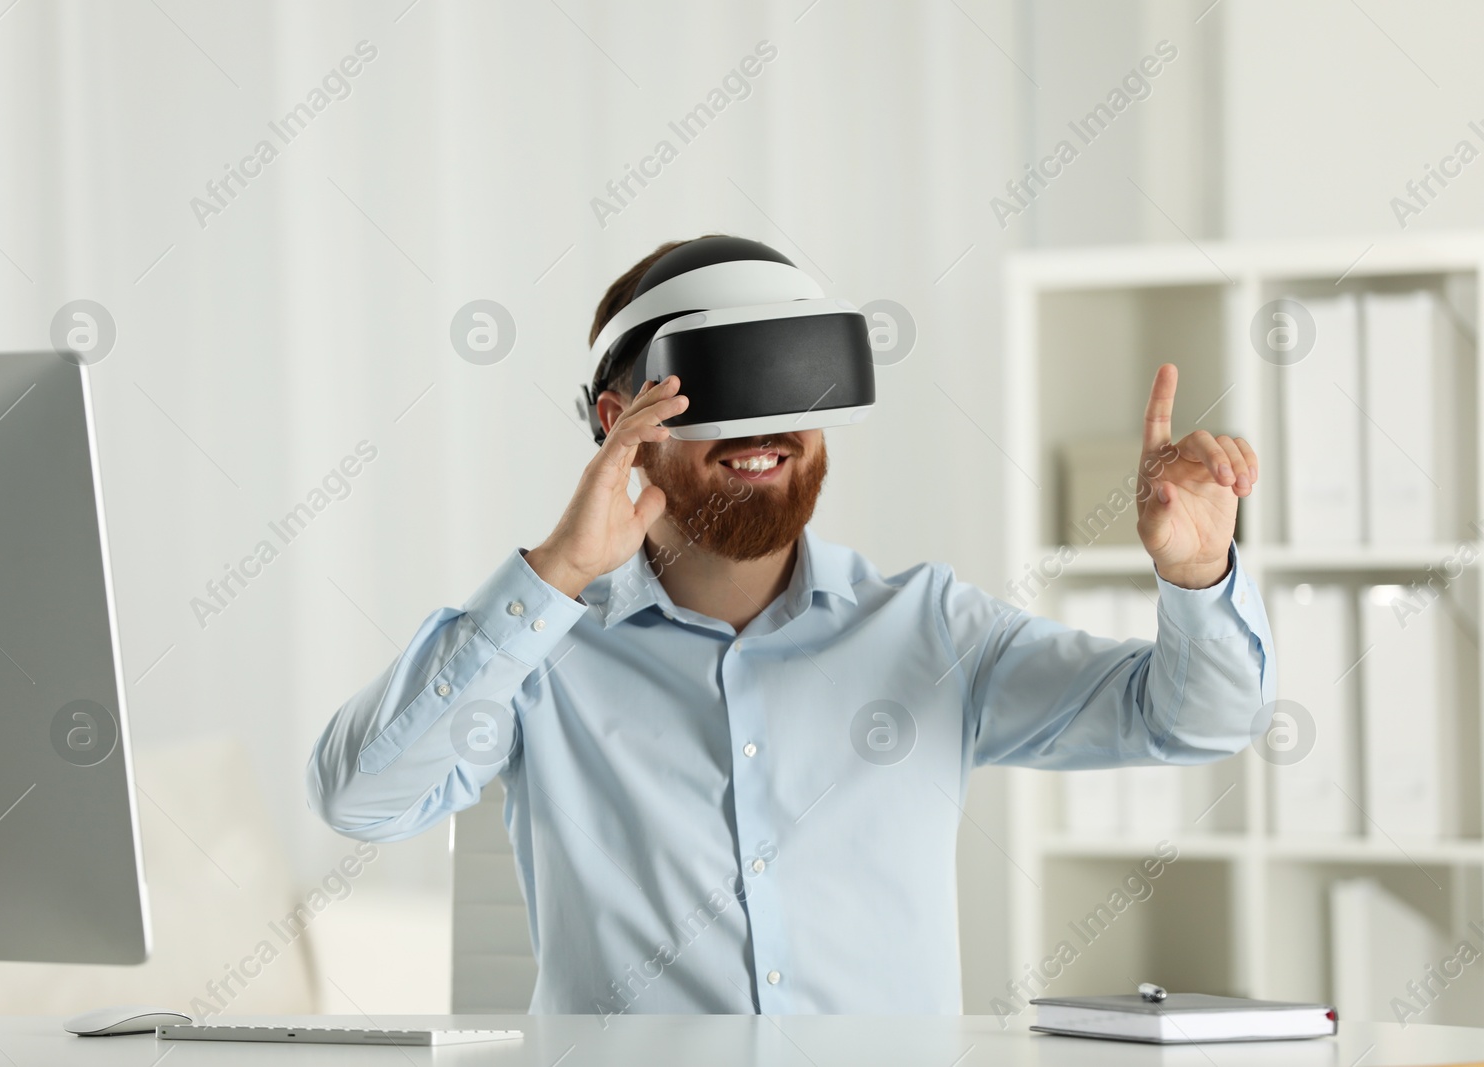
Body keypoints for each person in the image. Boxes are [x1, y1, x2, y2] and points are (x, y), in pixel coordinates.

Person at [306, 235, 1274, 1016]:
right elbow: (360, 797)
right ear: (618, 422)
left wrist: (1196, 574)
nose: (764, 431)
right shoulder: (540, 656)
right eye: (723, 393)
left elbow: (1193, 720)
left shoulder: (929, 631)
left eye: (794, 386)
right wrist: (553, 574)